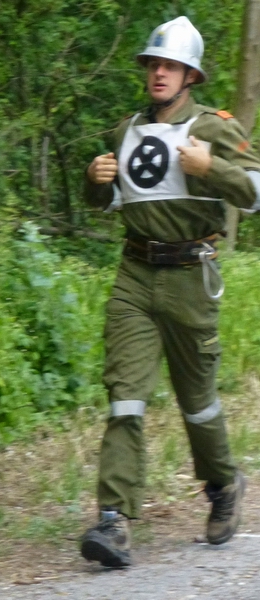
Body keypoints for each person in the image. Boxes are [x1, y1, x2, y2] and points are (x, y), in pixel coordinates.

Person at [80, 16, 260, 568]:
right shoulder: (125, 130)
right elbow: (114, 202)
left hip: (190, 277)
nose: (159, 72)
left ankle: (223, 483)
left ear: (191, 75)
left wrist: (213, 167)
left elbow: (256, 191)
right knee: (125, 397)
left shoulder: (215, 128)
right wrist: (94, 183)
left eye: (171, 66)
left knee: (197, 403)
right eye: (153, 64)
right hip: (134, 275)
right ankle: (113, 520)